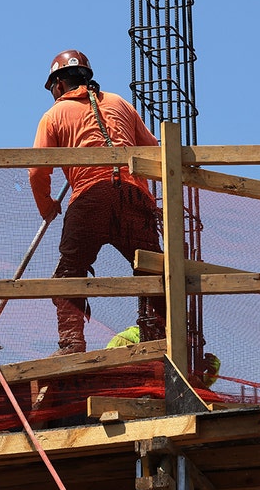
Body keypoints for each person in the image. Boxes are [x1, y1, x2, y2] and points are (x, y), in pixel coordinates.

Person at [30, 49, 166, 356]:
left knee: (68, 274)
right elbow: (154, 149)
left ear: (59, 84)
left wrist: (47, 205)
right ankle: (158, 336)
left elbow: (37, 169)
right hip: (134, 197)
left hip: (90, 197)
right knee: (153, 270)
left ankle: (72, 345)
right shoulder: (120, 103)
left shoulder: (53, 115)